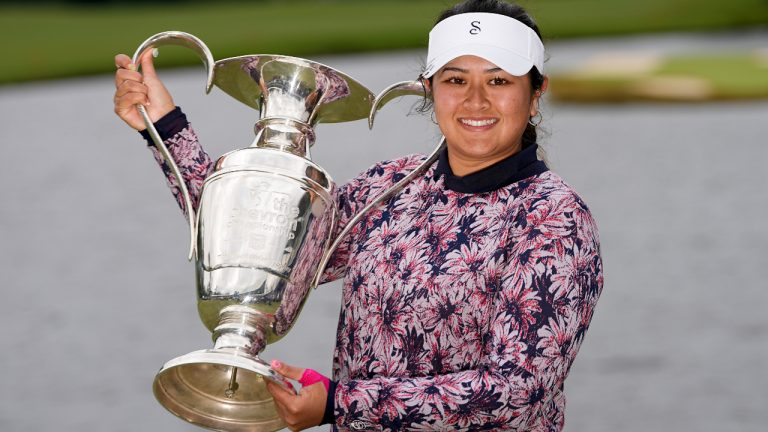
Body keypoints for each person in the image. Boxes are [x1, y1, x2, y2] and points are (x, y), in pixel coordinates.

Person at [113, 0, 603, 430]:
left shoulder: (555, 221)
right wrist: (163, 126)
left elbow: (517, 392)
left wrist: (338, 404)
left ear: (535, 94)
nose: (476, 100)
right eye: (456, 80)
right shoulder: (393, 185)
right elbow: (256, 241)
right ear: (430, 91)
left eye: (499, 80)